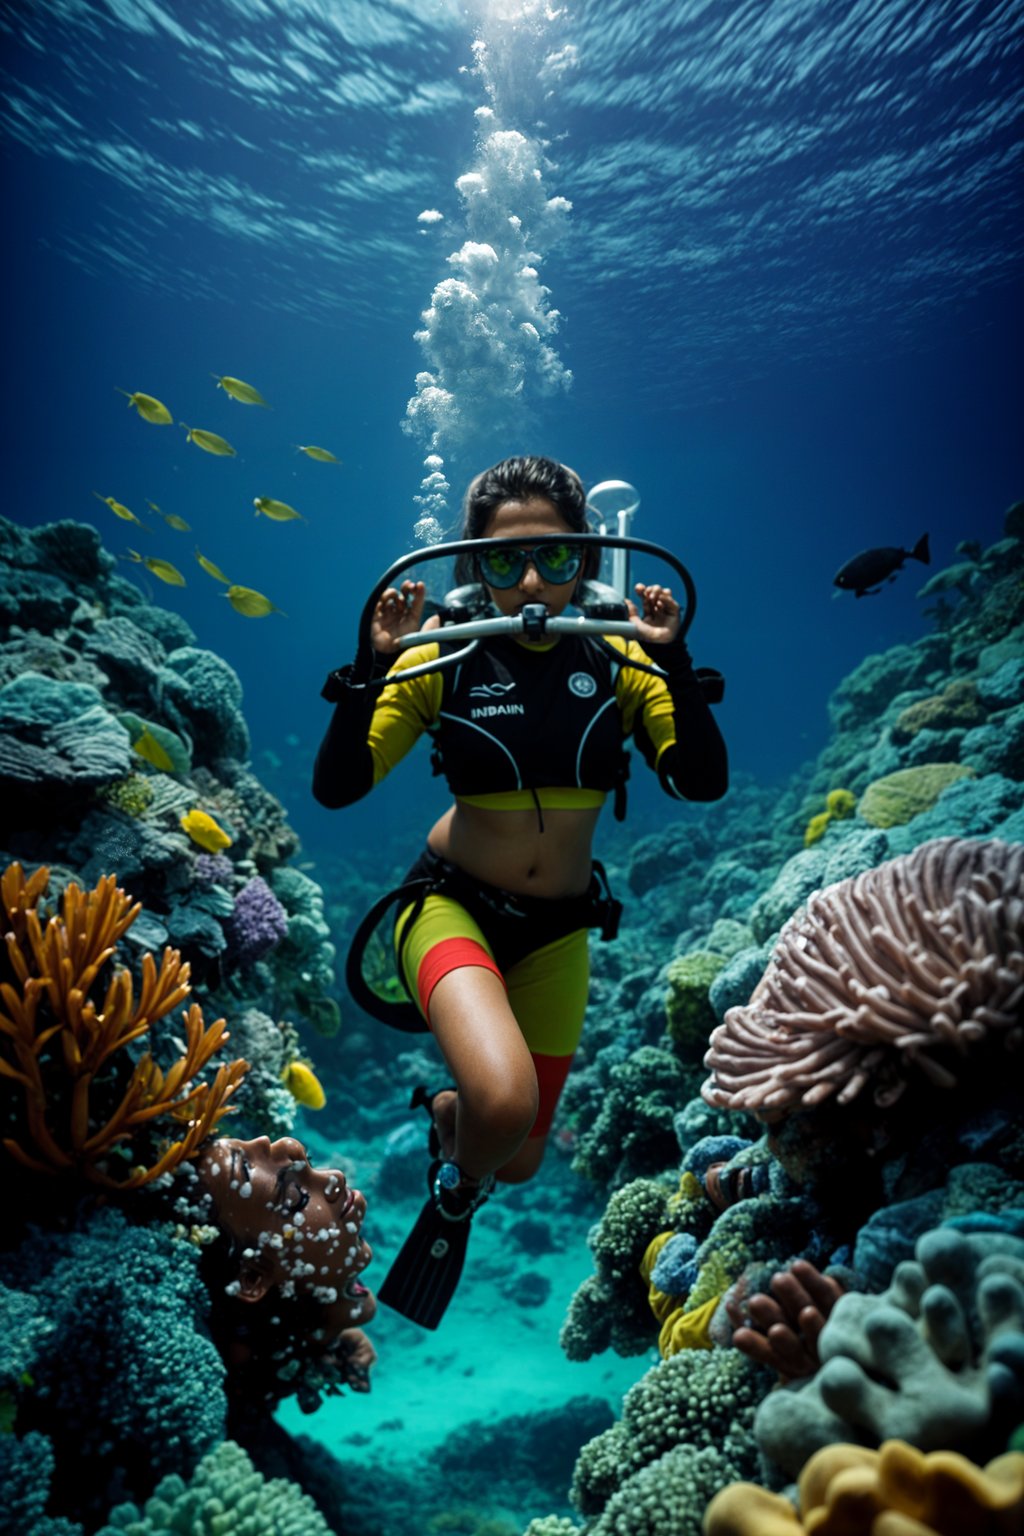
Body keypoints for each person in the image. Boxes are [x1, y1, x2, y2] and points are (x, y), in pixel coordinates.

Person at [313, 455, 727, 1325]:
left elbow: (699, 779)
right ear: (474, 568)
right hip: (449, 909)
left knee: (521, 1160)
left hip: (558, 934)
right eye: (504, 562)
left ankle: (448, 1120)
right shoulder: (444, 658)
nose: (531, 581)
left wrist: (674, 661)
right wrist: (370, 664)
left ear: (583, 556)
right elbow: (340, 785)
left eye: (552, 557)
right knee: (503, 1110)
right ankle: (457, 1178)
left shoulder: (619, 656)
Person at [191, 1134, 377, 1413]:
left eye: (311, 1164)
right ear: (252, 1279)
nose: (336, 1176)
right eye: (294, 1197)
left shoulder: (277, 1341)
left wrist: (325, 1340)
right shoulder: (227, 1385)